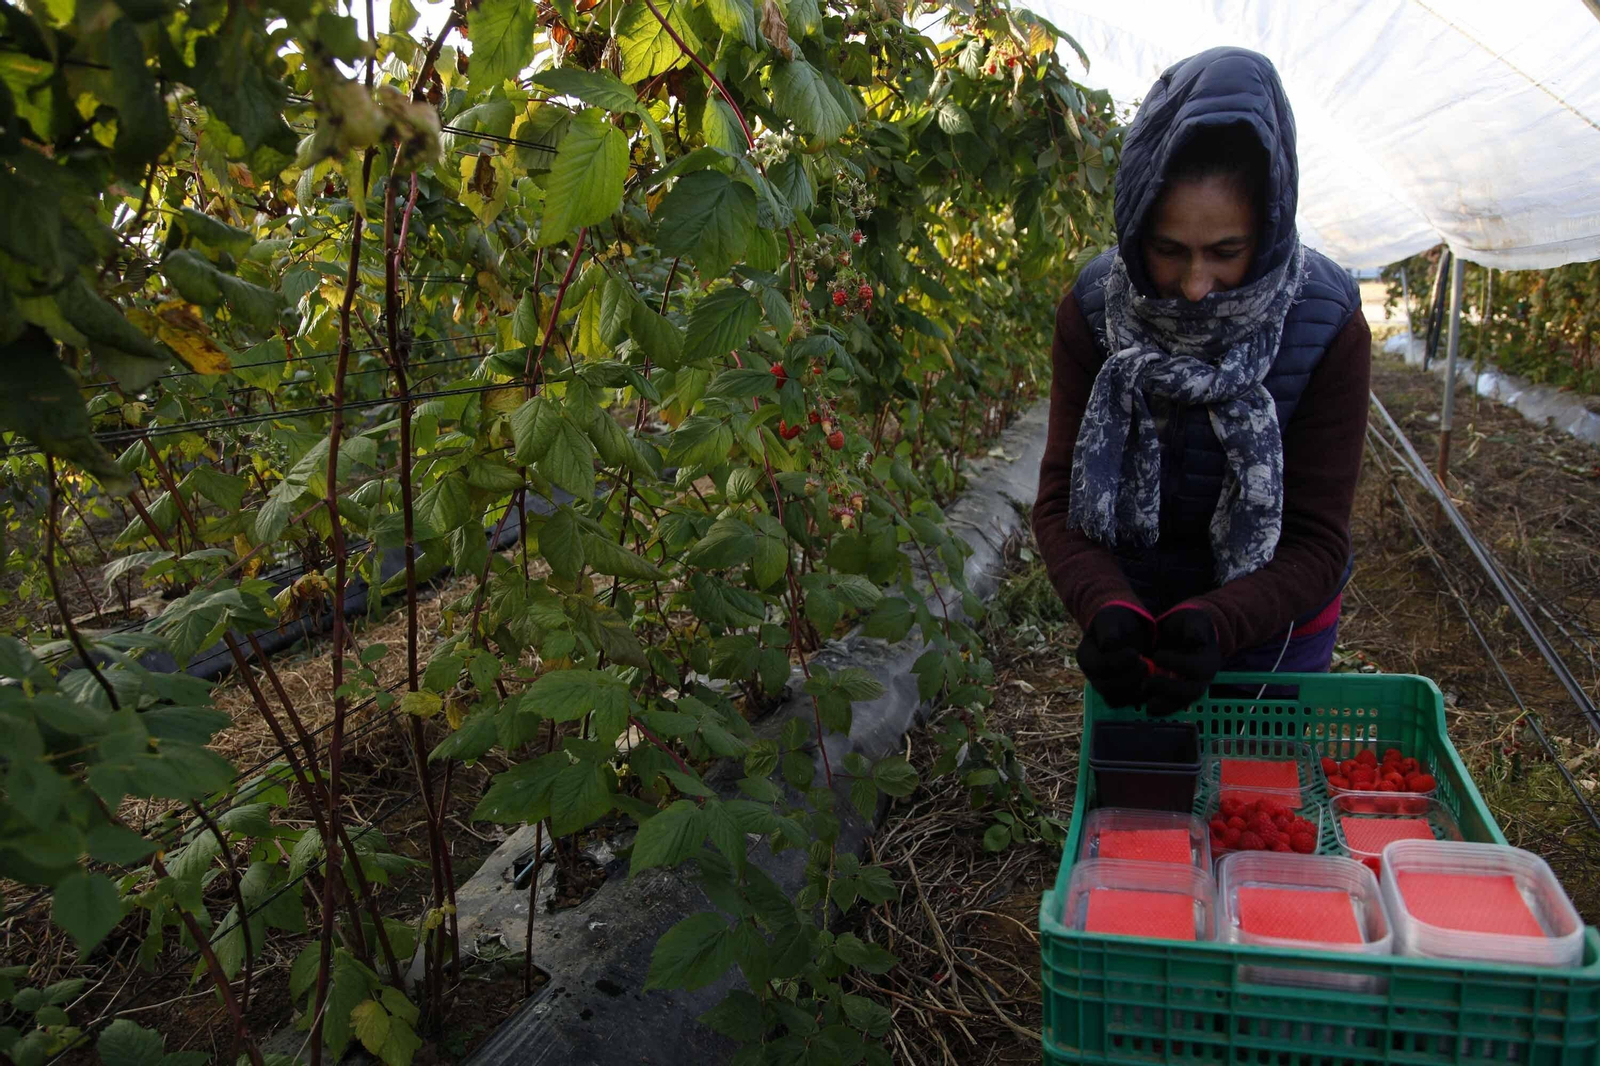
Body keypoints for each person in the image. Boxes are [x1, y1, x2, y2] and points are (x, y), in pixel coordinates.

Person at [1032, 47, 1371, 716]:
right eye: (1167, 250)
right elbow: (1059, 503)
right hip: (1140, 626)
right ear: (1136, 230)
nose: (1194, 286)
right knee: (1140, 804)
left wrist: (1219, 622)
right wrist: (1108, 606)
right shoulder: (1095, 312)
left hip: (1274, 624)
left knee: (1256, 799)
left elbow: (1317, 537)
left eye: (1225, 252)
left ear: (1266, 232)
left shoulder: (1326, 324)